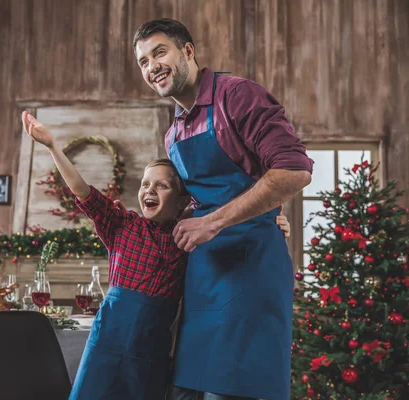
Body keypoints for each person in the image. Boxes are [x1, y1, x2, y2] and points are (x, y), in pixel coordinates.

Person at [21, 111, 292, 400]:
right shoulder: (121, 224)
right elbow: (81, 190)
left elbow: (230, 215)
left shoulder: (190, 235)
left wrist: (272, 224)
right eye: (145, 184)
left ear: (182, 200)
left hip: (154, 348)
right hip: (108, 342)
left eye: (161, 185)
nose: (149, 190)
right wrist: (51, 146)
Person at [133, 18, 314, 400]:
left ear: (187, 51)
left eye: (159, 52)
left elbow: (294, 170)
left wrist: (213, 223)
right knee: (188, 391)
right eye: (143, 61)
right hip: (204, 280)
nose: (152, 67)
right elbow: (195, 202)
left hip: (251, 270)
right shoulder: (173, 134)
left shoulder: (237, 96)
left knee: (234, 391)